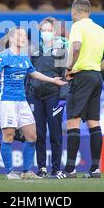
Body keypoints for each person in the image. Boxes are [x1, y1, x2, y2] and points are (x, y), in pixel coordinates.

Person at [0, 26, 66, 180]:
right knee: (9, 135)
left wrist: (52, 80)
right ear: (11, 38)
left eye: (24, 36)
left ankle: (26, 171)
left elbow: (33, 72)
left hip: (22, 101)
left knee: (32, 136)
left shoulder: (25, 57)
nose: (23, 38)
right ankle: (9, 172)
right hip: (7, 101)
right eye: (19, 35)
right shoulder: (2, 56)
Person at [63, 0, 104, 179]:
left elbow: (76, 48)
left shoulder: (77, 26)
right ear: (89, 11)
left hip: (81, 76)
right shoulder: (99, 29)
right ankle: (95, 168)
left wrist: (68, 68)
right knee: (93, 122)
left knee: (73, 120)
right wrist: (98, 68)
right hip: (96, 77)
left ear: (74, 11)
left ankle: (70, 169)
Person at [28, 17, 68, 179]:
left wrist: (63, 97)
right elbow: (29, 74)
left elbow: (65, 75)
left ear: (55, 31)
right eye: (43, 30)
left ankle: (57, 168)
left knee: (56, 133)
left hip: (54, 95)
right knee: (39, 133)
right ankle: (42, 168)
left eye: (49, 30)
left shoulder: (61, 51)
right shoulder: (35, 51)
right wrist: (28, 94)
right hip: (36, 96)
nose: (45, 33)